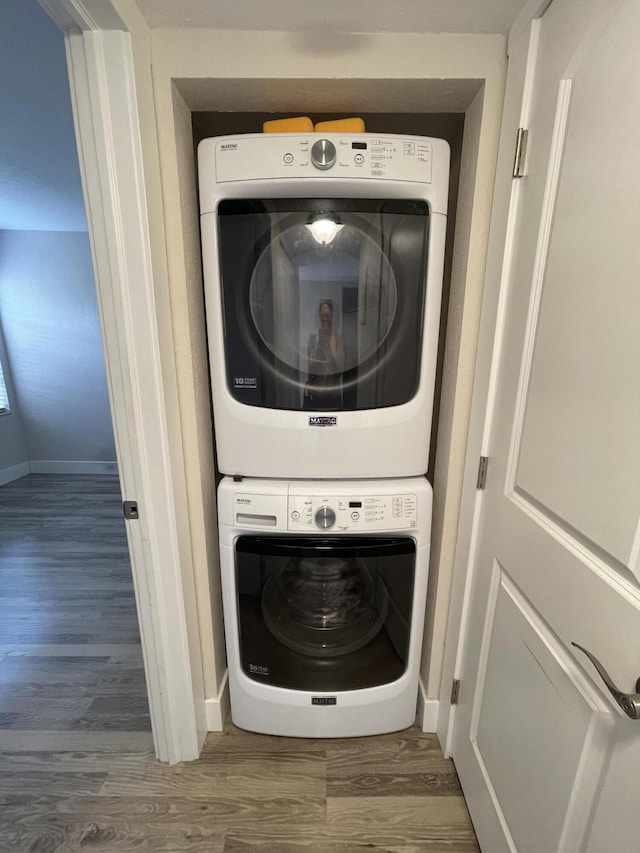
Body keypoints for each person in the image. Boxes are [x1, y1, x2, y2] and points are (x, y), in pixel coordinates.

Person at [304, 300, 345, 408]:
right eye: (322, 315)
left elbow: (340, 367)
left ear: (332, 317)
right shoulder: (313, 338)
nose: (325, 318)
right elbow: (310, 366)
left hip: (334, 393)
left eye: (328, 315)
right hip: (317, 393)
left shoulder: (338, 338)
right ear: (319, 317)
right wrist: (318, 347)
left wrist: (331, 345)